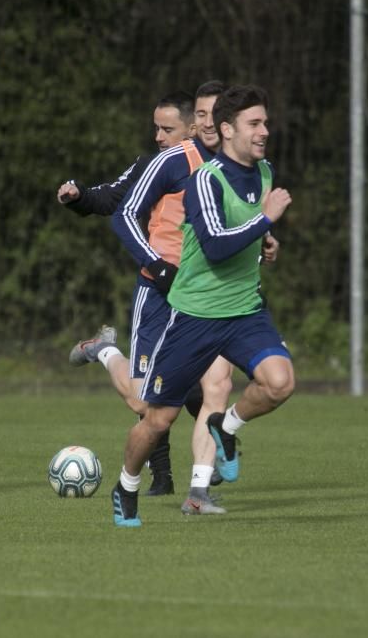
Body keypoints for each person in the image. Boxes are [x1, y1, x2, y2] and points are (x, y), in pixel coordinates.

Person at [111, 84, 295, 527]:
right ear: (228, 130)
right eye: (255, 123)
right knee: (156, 418)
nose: (264, 131)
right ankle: (125, 487)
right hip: (193, 315)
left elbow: (246, 229)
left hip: (244, 311)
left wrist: (266, 242)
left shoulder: (264, 171)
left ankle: (225, 427)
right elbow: (213, 245)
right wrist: (265, 220)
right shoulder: (205, 180)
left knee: (279, 383)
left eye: (265, 122)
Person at [59, 89, 212, 496]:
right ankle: (105, 351)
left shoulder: (219, 167)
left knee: (206, 383)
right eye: (156, 129)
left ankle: (213, 448)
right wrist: (79, 197)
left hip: (202, 290)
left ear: (193, 128)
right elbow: (113, 198)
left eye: (168, 129)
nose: (159, 136)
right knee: (148, 398)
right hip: (159, 288)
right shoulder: (154, 165)